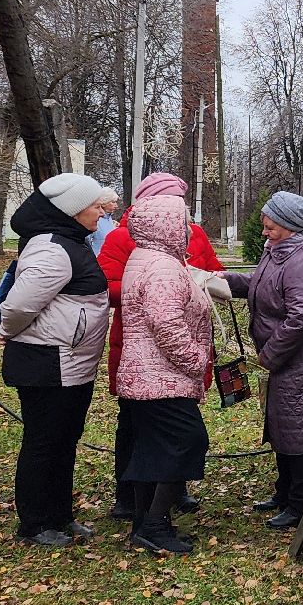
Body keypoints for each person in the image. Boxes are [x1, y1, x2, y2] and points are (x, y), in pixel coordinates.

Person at [99, 171, 225, 520]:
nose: (187, 223)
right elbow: (165, 322)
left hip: (153, 361)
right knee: (169, 435)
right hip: (157, 363)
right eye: (179, 213)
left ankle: (156, 510)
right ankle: (145, 514)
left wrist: (203, 280)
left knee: (161, 438)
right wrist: (196, 359)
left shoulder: (162, 252)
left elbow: (214, 270)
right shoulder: (154, 262)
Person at [0, 172, 112, 546]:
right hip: (46, 363)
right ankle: (34, 524)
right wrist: (9, 333)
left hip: (70, 363)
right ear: (72, 210)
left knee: (64, 441)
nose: (103, 210)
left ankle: (60, 515)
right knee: (44, 443)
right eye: (95, 205)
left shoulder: (71, 241)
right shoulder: (51, 249)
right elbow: (16, 307)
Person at [227, 191, 303, 529]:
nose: (264, 232)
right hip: (288, 355)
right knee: (283, 421)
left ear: (291, 225)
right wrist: (227, 280)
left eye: (270, 226)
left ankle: (301, 503)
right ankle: (284, 491)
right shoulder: (281, 251)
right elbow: (262, 285)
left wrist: (269, 354)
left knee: (299, 427)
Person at [113, 193, 213, 554]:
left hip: (144, 376)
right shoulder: (162, 267)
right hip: (161, 378)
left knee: (152, 449)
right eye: (183, 222)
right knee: (187, 441)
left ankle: (145, 524)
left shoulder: (147, 258)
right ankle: (154, 524)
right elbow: (166, 324)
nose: (188, 230)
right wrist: (196, 359)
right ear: (165, 226)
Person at [87, 189, 121, 255]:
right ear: (104, 203)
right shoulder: (95, 220)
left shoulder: (110, 219)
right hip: (97, 261)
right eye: (113, 202)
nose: (116, 206)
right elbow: (86, 241)